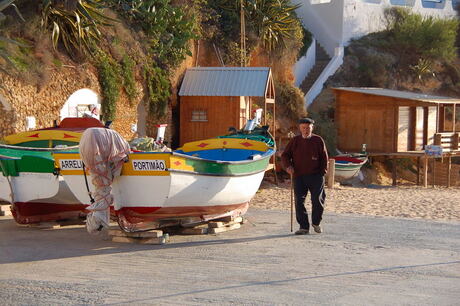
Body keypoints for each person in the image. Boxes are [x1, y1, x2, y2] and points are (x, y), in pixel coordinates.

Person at [281, 118, 328, 235]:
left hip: (316, 176)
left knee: (317, 200)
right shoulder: (295, 141)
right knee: (299, 201)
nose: (305, 130)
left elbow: (324, 157)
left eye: (308, 128)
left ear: (312, 128)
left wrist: (323, 172)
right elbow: (285, 155)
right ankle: (304, 227)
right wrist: (288, 167)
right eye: (303, 128)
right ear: (300, 128)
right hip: (299, 176)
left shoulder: (318, 140)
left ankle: (316, 222)